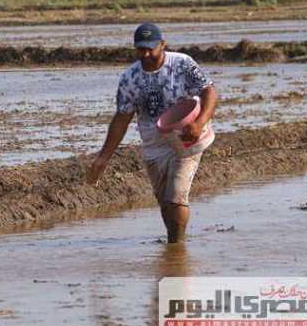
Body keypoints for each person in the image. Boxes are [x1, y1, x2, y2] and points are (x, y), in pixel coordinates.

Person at [86, 23, 217, 243]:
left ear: (163, 45)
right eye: (141, 49)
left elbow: (209, 91)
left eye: (151, 49)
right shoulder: (130, 78)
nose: (146, 54)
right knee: (165, 203)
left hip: (185, 138)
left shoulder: (182, 64)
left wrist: (200, 122)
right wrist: (102, 159)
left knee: (176, 197)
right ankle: (173, 244)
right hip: (153, 144)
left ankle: (177, 251)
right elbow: (122, 119)